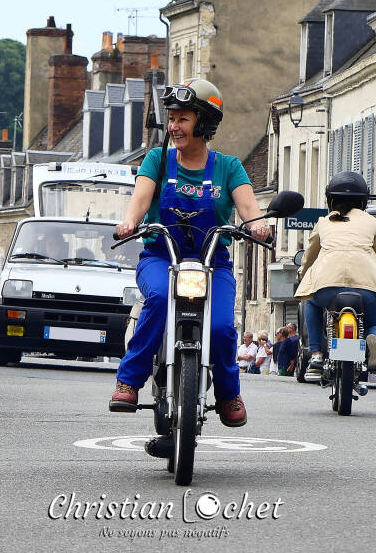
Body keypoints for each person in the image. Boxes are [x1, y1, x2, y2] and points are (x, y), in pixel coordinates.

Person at [108, 78, 271, 441]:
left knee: (222, 328)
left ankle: (228, 393)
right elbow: (140, 199)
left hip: (213, 264)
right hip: (160, 257)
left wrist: (259, 226)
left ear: (204, 122)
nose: (174, 126)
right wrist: (130, 222)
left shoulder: (228, 167)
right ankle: (128, 380)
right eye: (171, 119)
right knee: (157, 299)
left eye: (183, 118)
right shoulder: (158, 159)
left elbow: (249, 208)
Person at [295, 171, 376, 378]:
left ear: (330, 199)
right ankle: (370, 339)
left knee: (311, 302)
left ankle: (316, 355)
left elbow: (309, 256)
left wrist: (302, 275)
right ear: (364, 200)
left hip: (327, 286)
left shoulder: (324, 222)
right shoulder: (372, 222)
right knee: (375, 324)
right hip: (366, 287)